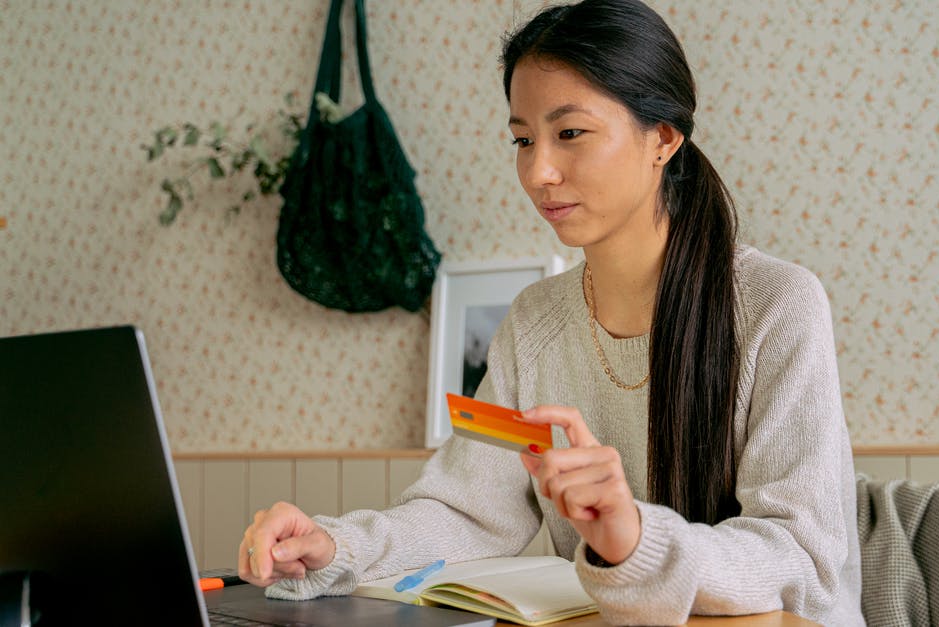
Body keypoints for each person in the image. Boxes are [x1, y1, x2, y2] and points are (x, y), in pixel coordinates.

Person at [238, 0, 863, 624]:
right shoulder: (535, 323)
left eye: (570, 133)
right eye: (522, 139)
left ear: (664, 138)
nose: (538, 171)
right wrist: (333, 546)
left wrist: (636, 539)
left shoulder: (778, 305)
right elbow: (468, 511)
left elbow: (798, 554)